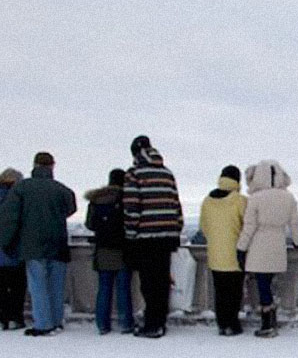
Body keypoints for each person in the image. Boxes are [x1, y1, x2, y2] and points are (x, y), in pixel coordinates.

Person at [0, 152, 76, 336]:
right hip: (58, 242)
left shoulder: (22, 188)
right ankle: (57, 320)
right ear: (52, 166)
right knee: (56, 285)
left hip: (32, 244)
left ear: (34, 165)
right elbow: (71, 208)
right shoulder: (62, 190)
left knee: (38, 284)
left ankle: (43, 323)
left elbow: (10, 218)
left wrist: (6, 242)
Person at [123, 136, 184, 338]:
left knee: (148, 283)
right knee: (162, 281)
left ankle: (152, 323)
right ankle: (160, 320)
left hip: (146, 237)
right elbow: (176, 205)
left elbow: (132, 209)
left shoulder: (134, 174)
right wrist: (176, 230)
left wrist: (131, 235)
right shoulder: (167, 174)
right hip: (167, 236)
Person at [236, 160, 298, 337]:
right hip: (278, 245)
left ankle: (268, 324)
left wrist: (241, 248)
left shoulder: (256, 198)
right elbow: (294, 224)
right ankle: (270, 320)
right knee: (267, 285)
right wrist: (297, 242)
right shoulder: (288, 197)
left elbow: (249, 226)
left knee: (263, 286)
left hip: (259, 246)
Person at [84, 168, 134, 334]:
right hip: (123, 249)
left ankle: (102, 324)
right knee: (123, 288)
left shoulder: (97, 200)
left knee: (104, 288)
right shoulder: (127, 199)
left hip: (103, 249)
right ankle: (125, 323)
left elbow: (90, 224)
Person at [200, 165, 248, 336]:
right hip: (235, 254)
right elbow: (247, 226)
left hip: (215, 253)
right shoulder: (240, 200)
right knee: (234, 292)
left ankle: (222, 323)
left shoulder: (207, 200)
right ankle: (232, 324)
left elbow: (203, 227)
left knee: (219, 291)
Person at [0, 168, 26, 330]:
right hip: (15, 250)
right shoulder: (18, 198)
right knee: (18, 286)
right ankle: (16, 317)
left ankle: (3, 318)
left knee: (2, 287)